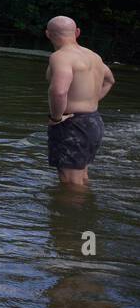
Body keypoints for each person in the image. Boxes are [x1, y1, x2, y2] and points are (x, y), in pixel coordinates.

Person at [45, 16, 114, 186]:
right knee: (80, 177)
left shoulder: (60, 57)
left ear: (48, 34)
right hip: (93, 121)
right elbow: (110, 80)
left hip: (73, 124)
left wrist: (56, 118)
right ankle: (84, 211)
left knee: (70, 183)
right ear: (77, 32)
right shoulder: (93, 56)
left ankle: (72, 211)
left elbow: (59, 91)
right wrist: (90, 101)